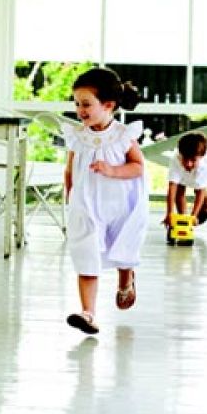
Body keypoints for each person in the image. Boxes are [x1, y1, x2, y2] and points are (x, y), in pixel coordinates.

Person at [62, 67, 149, 335]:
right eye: (77, 104)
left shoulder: (122, 136)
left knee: (122, 249)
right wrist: (70, 199)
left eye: (86, 104)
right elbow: (70, 170)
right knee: (86, 255)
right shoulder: (78, 136)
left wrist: (112, 170)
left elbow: (138, 167)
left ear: (108, 105)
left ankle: (126, 279)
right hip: (87, 208)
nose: (80, 110)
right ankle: (88, 313)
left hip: (119, 206)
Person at [162, 131, 207, 232]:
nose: (188, 164)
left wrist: (193, 216)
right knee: (179, 190)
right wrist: (169, 213)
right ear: (180, 154)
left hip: (199, 174)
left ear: (201, 157)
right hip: (182, 172)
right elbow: (172, 187)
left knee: (198, 190)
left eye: (193, 160)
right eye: (185, 159)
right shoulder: (176, 159)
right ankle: (182, 219)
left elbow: (200, 191)